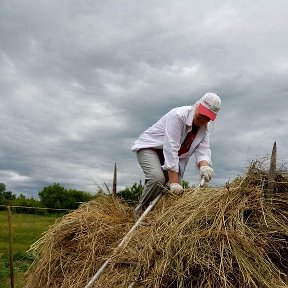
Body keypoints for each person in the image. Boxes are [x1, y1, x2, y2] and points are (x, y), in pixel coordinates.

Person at [131, 92, 221, 218]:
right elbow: (170, 147)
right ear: (197, 105)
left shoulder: (205, 127)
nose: (203, 119)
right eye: (202, 114)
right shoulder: (179, 115)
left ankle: (157, 216)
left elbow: (204, 149)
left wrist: (204, 166)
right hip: (151, 148)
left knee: (175, 193)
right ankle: (139, 213)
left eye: (208, 117)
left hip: (171, 156)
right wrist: (173, 182)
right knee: (158, 179)